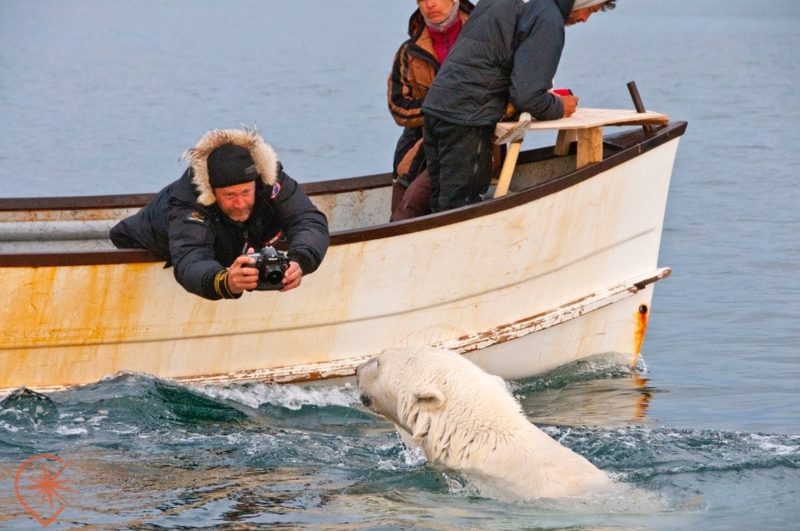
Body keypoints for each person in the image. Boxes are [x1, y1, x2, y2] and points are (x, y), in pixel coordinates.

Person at [421, 0, 616, 213]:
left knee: (441, 206)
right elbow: (528, 96)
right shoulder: (547, 17)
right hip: (467, 119)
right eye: (590, 10)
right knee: (461, 210)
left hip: (436, 108)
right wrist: (559, 107)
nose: (585, 19)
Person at [110, 127, 329, 300]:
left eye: (245, 192)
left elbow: (308, 220)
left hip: (227, 238)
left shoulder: (272, 181)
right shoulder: (189, 203)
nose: (240, 203)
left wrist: (299, 262)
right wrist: (225, 282)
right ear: (212, 192)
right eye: (230, 195)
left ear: (256, 183)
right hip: (143, 242)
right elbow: (190, 258)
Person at [388, 0, 474, 221]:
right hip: (421, 142)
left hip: (474, 140)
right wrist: (443, 107)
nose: (430, 4)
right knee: (400, 198)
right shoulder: (409, 51)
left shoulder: (482, 38)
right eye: (422, 0)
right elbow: (398, 107)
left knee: (412, 203)